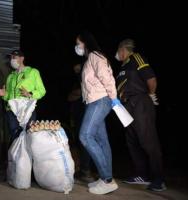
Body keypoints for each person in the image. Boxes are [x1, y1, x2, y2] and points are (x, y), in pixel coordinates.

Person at [115, 39, 166, 191]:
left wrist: (151, 95)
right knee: (132, 141)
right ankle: (141, 175)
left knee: (148, 141)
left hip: (140, 104)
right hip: (126, 107)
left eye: (118, 51)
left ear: (123, 49)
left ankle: (159, 179)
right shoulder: (122, 67)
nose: (117, 54)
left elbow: (151, 78)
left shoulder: (136, 58)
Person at [75, 30, 119, 195]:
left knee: (85, 136)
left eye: (78, 43)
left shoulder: (95, 55)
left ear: (85, 42)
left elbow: (107, 77)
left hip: (100, 100)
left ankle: (108, 180)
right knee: (102, 141)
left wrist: (113, 98)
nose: (77, 46)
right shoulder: (90, 59)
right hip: (95, 101)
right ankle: (104, 177)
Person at [0, 50, 46, 141]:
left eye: (14, 57)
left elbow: (42, 91)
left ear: (22, 58)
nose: (12, 60)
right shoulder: (10, 77)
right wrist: (4, 94)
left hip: (26, 109)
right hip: (12, 110)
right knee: (15, 135)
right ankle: (17, 155)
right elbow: (8, 96)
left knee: (29, 135)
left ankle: (28, 155)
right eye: (11, 58)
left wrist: (30, 94)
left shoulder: (32, 72)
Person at [67, 63, 94, 182]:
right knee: (79, 144)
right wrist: (78, 93)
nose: (75, 69)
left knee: (86, 142)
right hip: (77, 118)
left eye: (78, 66)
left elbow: (85, 91)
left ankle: (88, 171)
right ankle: (83, 169)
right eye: (74, 68)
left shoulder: (87, 77)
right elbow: (69, 97)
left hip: (88, 116)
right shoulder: (76, 81)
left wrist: (79, 93)